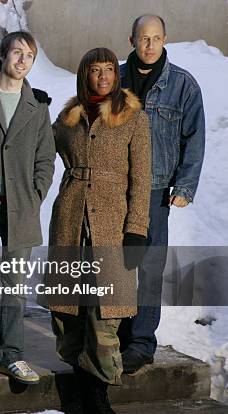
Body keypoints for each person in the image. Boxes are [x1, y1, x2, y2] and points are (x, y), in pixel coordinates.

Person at [48, 48, 151, 413]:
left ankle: (97, 391)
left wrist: (136, 229)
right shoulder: (67, 118)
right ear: (84, 74)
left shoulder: (133, 118)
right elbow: (40, 155)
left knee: (106, 314)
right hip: (71, 220)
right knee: (68, 311)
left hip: (112, 225)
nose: (104, 76)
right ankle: (78, 377)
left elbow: (141, 179)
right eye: (96, 70)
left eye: (109, 69)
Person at [118, 14, 206, 374]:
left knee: (149, 267)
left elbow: (195, 138)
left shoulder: (182, 85)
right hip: (116, 187)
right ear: (132, 39)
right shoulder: (115, 77)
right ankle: (117, 335)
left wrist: (184, 186)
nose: (150, 45)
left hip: (154, 190)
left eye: (156, 38)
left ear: (165, 39)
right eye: (143, 38)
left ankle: (141, 343)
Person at [0, 31, 55, 384]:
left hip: (22, 208)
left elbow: (45, 158)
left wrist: (36, 193)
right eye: (17, 53)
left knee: (15, 287)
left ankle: (11, 355)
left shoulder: (37, 106)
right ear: (3, 56)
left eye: (29, 56)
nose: (22, 60)